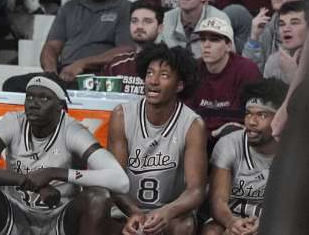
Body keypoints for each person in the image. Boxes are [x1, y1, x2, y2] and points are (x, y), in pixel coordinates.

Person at [0, 74, 128, 235]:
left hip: (59, 217)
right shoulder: (14, 122)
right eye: (29, 97)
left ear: (60, 107)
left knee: (98, 197)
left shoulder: (73, 131)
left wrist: (55, 173)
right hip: (13, 212)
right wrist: (25, 181)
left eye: (44, 98)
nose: (33, 103)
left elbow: (120, 181)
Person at [107, 43, 207, 235]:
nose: (153, 81)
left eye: (164, 75)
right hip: (127, 208)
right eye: (150, 73)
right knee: (98, 209)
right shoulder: (122, 115)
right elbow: (114, 181)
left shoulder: (193, 125)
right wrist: (134, 212)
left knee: (184, 225)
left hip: (169, 212)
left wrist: (166, 212)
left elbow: (196, 191)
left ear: (179, 85)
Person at [203, 79, 287, 235]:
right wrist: (232, 223)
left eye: (261, 115)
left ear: (279, 118)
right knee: (211, 232)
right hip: (231, 216)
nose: (251, 122)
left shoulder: (291, 149)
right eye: (248, 114)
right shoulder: (230, 143)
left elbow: (290, 204)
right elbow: (218, 201)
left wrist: (264, 224)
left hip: (272, 219)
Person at [38, 0, 134, 84]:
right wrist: (50, 72)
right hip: (64, 72)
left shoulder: (126, 8)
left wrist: (82, 64)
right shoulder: (69, 8)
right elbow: (51, 47)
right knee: (13, 84)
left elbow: (126, 50)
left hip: (100, 75)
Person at [187, 16, 262, 141]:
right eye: (203, 39)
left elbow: (253, 117)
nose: (206, 45)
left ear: (228, 46)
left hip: (235, 139)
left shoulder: (247, 70)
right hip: (198, 138)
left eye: (214, 40)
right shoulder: (193, 69)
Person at [102, 1, 166, 94]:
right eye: (134, 21)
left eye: (147, 21)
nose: (139, 26)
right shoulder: (115, 65)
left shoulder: (169, 66)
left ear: (160, 28)